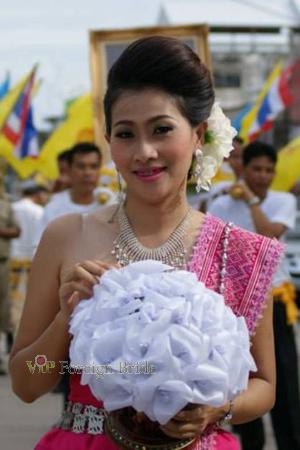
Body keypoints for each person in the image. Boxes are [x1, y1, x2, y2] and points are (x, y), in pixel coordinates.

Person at [10, 36, 283, 450]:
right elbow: (29, 381)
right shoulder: (67, 237)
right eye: (125, 134)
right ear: (109, 140)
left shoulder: (239, 251)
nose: (144, 151)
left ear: (198, 134)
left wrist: (218, 409)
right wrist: (67, 318)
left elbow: (264, 384)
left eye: (161, 129)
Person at [208, 140, 300, 450]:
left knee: (284, 380)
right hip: (235, 307)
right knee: (241, 379)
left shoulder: (282, 200)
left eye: (268, 170)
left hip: (273, 302)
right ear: (242, 169)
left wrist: (251, 202)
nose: (263, 175)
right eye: (256, 169)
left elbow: (270, 234)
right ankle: (251, 444)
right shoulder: (220, 205)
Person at [35, 142, 117, 245]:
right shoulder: (54, 207)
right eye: (81, 166)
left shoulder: (111, 202)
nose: (87, 173)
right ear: (69, 170)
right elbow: (39, 248)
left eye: (94, 166)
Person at [10, 181, 49, 335]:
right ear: (37, 194)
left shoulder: (13, 208)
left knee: (11, 298)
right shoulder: (39, 211)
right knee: (28, 299)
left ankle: (10, 328)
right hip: (31, 260)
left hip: (12, 258)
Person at [0, 178, 20, 374]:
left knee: (4, 309)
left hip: (2, 264)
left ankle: (5, 348)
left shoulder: (6, 207)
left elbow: (16, 230)